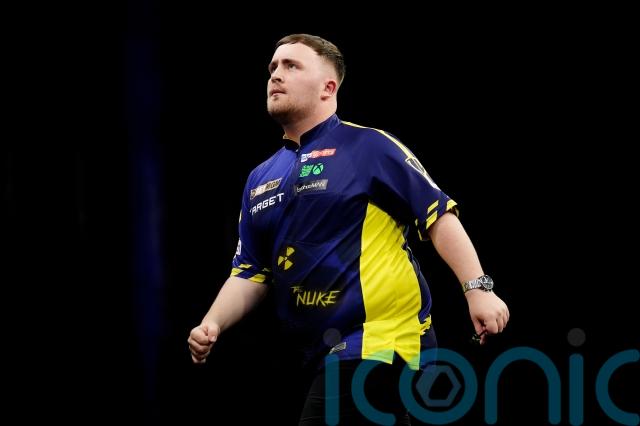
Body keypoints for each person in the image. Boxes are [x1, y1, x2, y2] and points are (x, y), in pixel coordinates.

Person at [188, 33, 510, 425]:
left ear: (328, 88)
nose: (275, 75)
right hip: (316, 352)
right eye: (272, 67)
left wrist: (478, 289)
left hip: (379, 339)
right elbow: (250, 272)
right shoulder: (260, 178)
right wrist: (212, 322)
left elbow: (438, 215)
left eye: (291, 65)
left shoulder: (369, 147)